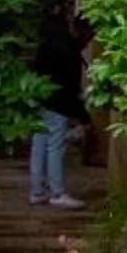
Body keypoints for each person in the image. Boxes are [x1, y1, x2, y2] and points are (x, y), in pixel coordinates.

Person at [29, 13, 86, 208]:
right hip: (58, 103)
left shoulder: (47, 44)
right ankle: (57, 192)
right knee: (54, 146)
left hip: (41, 98)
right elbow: (70, 85)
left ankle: (37, 191)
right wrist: (80, 113)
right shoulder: (68, 50)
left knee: (39, 144)